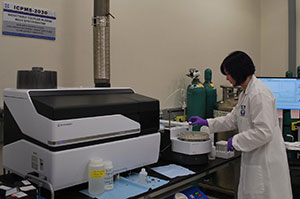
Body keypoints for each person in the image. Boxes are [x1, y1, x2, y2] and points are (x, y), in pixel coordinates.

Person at [189, 51, 292, 199]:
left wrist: (236, 140)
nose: (227, 78)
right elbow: (233, 119)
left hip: (264, 163)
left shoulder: (259, 94)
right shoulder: (246, 93)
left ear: (239, 72)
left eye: (229, 73)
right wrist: (207, 122)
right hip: (254, 160)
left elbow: (264, 132)